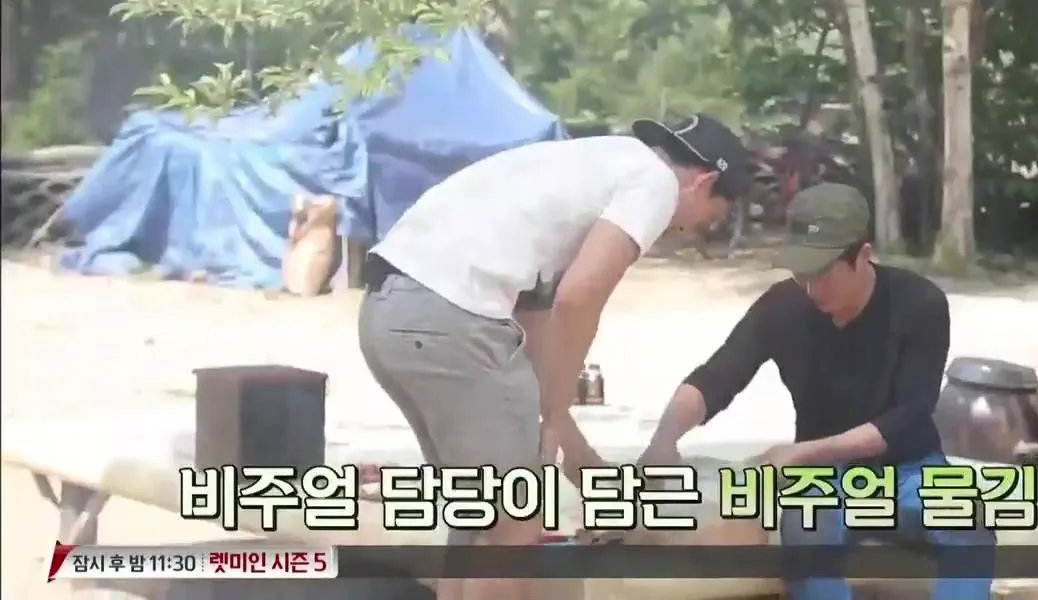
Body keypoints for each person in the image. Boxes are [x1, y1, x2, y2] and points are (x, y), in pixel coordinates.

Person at [358, 114, 751, 600]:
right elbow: (579, 298)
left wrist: (576, 453)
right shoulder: (655, 183)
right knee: (514, 527)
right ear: (703, 181)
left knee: (482, 515)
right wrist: (556, 414)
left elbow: (537, 326)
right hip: (451, 317)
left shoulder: (585, 165)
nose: (686, 229)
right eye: (706, 218)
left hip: (394, 312)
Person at [637, 182, 995, 600]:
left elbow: (906, 416)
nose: (811, 289)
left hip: (910, 468)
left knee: (971, 527)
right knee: (806, 535)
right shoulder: (782, 306)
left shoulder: (920, 304)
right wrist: (663, 440)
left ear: (862, 256)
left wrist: (799, 453)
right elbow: (716, 377)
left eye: (823, 273)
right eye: (801, 273)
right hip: (820, 477)